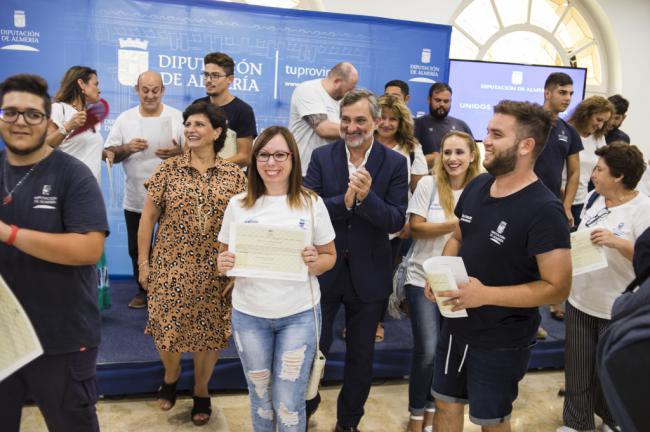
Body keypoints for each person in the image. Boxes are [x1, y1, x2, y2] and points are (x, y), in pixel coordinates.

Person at [426, 100, 572, 432]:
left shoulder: (545, 210)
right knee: (445, 402)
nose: (486, 140)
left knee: (491, 420)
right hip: (456, 325)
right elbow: (459, 236)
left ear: (526, 145)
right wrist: (442, 274)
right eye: (488, 131)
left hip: (502, 337)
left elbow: (558, 287)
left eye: (496, 134)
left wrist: (485, 295)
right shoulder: (477, 186)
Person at [0, 74, 108, 431]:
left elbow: (89, 248)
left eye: (32, 114)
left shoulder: (72, 175)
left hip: (61, 339)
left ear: (48, 121)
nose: (20, 122)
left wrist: (10, 234)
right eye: (10, 112)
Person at [216, 126, 337, 432]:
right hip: (249, 315)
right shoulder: (238, 204)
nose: (272, 162)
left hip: (299, 316)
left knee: (288, 400)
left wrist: (315, 262)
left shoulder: (311, 203)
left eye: (280, 154)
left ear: (293, 159)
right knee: (260, 398)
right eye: (264, 155)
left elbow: (329, 257)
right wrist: (223, 263)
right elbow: (223, 258)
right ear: (254, 160)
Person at [304, 88, 409, 431]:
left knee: (361, 358)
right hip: (325, 271)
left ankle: (348, 422)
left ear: (377, 122)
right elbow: (309, 207)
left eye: (360, 120)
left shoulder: (395, 163)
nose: (352, 127)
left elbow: (396, 220)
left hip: (371, 276)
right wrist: (347, 202)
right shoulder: (322, 158)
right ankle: (306, 408)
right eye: (346, 120)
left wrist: (366, 199)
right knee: (313, 350)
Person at [137, 101, 247, 426]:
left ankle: (201, 389)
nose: (191, 129)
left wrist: (237, 270)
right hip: (170, 266)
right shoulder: (168, 170)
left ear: (216, 132)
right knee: (167, 330)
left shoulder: (233, 176)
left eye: (199, 124)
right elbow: (147, 219)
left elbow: (244, 225)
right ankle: (171, 376)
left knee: (209, 334)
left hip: (216, 270)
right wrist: (144, 264)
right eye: (188, 124)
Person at [558, 142, 650, 432]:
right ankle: (576, 423)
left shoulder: (643, 209)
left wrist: (617, 242)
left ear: (619, 175)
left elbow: (646, 258)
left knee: (611, 371)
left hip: (616, 306)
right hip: (580, 299)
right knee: (577, 370)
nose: (593, 174)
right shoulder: (595, 198)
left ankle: (613, 420)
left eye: (599, 170)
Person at [404, 130, 481, 432]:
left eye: (459, 152)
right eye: (447, 152)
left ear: (472, 155)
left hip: (460, 282)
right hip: (421, 277)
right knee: (427, 350)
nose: (452, 159)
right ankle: (415, 413)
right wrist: (457, 224)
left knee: (447, 352)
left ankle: (435, 411)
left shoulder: (482, 189)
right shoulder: (427, 184)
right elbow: (416, 229)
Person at [104, 70, 184, 309]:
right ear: (136, 90)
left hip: (173, 197)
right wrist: (127, 148)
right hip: (136, 197)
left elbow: (195, 154)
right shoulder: (125, 119)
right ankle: (144, 290)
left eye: (155, 90)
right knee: (135, 248)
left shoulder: (178, 117)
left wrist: (177, 153)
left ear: (163, 91)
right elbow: (109, 155)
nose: (150, 95)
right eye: (145, 90)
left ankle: (170, 291)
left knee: (172, 247)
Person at [45, 65, 113, 311]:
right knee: (68, 252)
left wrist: (105, 153)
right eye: (95, 83)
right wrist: (67, 126)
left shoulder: (90, 117)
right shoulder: (58, 110)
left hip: (89, 195)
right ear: (82, 85)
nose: (99, 88)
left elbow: (80, 149)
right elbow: (45, 147)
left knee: (88, 252)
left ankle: (86, 303)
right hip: (65, 194)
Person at [372, 94, 428, 342]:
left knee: (383, 274)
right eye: (382, 117)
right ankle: (358, 321)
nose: (386, 123)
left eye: (392, 119)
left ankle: (377, 321)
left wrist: (409, 222)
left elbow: (419, 189)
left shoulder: (412, 149)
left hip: (394, 224)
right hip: (361, 221)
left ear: (401, 122)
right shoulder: (362, 141)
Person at [535, 72, 583, 327]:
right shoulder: (529, 122)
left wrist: (566, 205)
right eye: (562, 92)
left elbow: (574, 172)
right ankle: (531, 318)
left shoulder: (569, 131)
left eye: (570, 94)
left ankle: (554, 303)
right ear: (547, 92)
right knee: (521, 261)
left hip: (553, 204)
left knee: (553, 259)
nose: (567, 98)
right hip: (523, 202)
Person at [289, 62, 359, 176]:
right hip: (303, 171)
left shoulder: (345, 100)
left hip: (331, 172)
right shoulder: (308, 90)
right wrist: (360, 131)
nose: (352, 91)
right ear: (337, 81)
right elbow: (323, 129)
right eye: (350, 87)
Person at [192, 52, 257, 167]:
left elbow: (244, 157)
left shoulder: (243, 111)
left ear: (230, 79)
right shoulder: (197, 105)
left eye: (215, 76)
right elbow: (190, 146)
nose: (208, 80)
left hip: (228, 180)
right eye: (206, 74)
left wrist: (212, 166)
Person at [567, 96, 614, 226]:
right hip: (560, 198)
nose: (600, 126)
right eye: (598, 119)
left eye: (604, 122)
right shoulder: (566, 131)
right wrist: (565, 205)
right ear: (585, 114)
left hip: (581, 200)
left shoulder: (598, 138)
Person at [414, 83, 473, 170]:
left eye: (446, 101)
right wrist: (429, 159)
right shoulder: (416, 125)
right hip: (427, 178)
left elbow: (473, 156)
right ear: (428, 100)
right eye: (437, 100)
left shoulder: (462, 125)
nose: (442, 104)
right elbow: (408, 160)